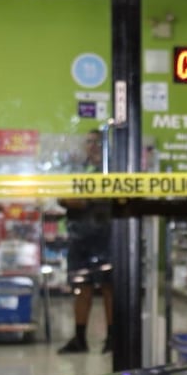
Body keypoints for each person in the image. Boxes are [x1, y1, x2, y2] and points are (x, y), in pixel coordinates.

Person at [58, 130, 114, 354]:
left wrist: (86, 199)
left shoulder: (112, 170)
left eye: (97, 143)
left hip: (107, 235)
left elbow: (108, 198)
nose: (93, 146)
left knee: (110, 287)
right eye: (89, 142)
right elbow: (63, 197)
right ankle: (79, 338)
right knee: (81, 287)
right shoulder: (76, 169)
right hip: (80, 237)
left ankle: (113, 338)